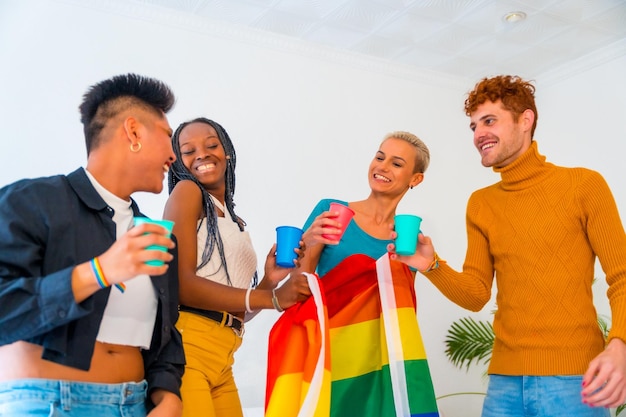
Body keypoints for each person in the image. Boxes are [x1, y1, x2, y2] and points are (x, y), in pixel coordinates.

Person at [390, 75, 626, 416]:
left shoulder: (583, 186)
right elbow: (475, 294)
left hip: (574, 382)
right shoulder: (481, 203)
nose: (478, 135)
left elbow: (622, 276)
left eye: (489, 121)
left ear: (525, 120)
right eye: (473, 126)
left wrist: (619, 344)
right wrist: (430, 264)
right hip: (503, 383)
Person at [0, 73, 185, 416]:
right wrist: (99, 271)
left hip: (134, 404)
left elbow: (165, 338)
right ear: (133, 132)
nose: (174, 155)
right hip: (49, 403)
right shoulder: (32, 201)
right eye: (168, 136)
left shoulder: (159, 238)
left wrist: (167, 395)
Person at [270, 131, 439, 417]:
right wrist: (309, 242)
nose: (382, 167)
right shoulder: (333, 212)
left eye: (397, 164)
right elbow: (299, 285)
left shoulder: (410, 240)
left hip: (380, 364)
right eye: (379, 156)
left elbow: (401, 312)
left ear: (415, 179)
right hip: (330, 354)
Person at [162, 117, 311, 417]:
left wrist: (269, 283)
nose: (202, 154)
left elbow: (237, 314)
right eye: (188, 150)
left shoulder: (234, 221)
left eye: (211, 145)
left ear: (227, 151)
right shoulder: (187, 193)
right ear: (178, 162)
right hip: (189, 350)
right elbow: (183, 286)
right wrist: (272, 298)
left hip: (224, 355)